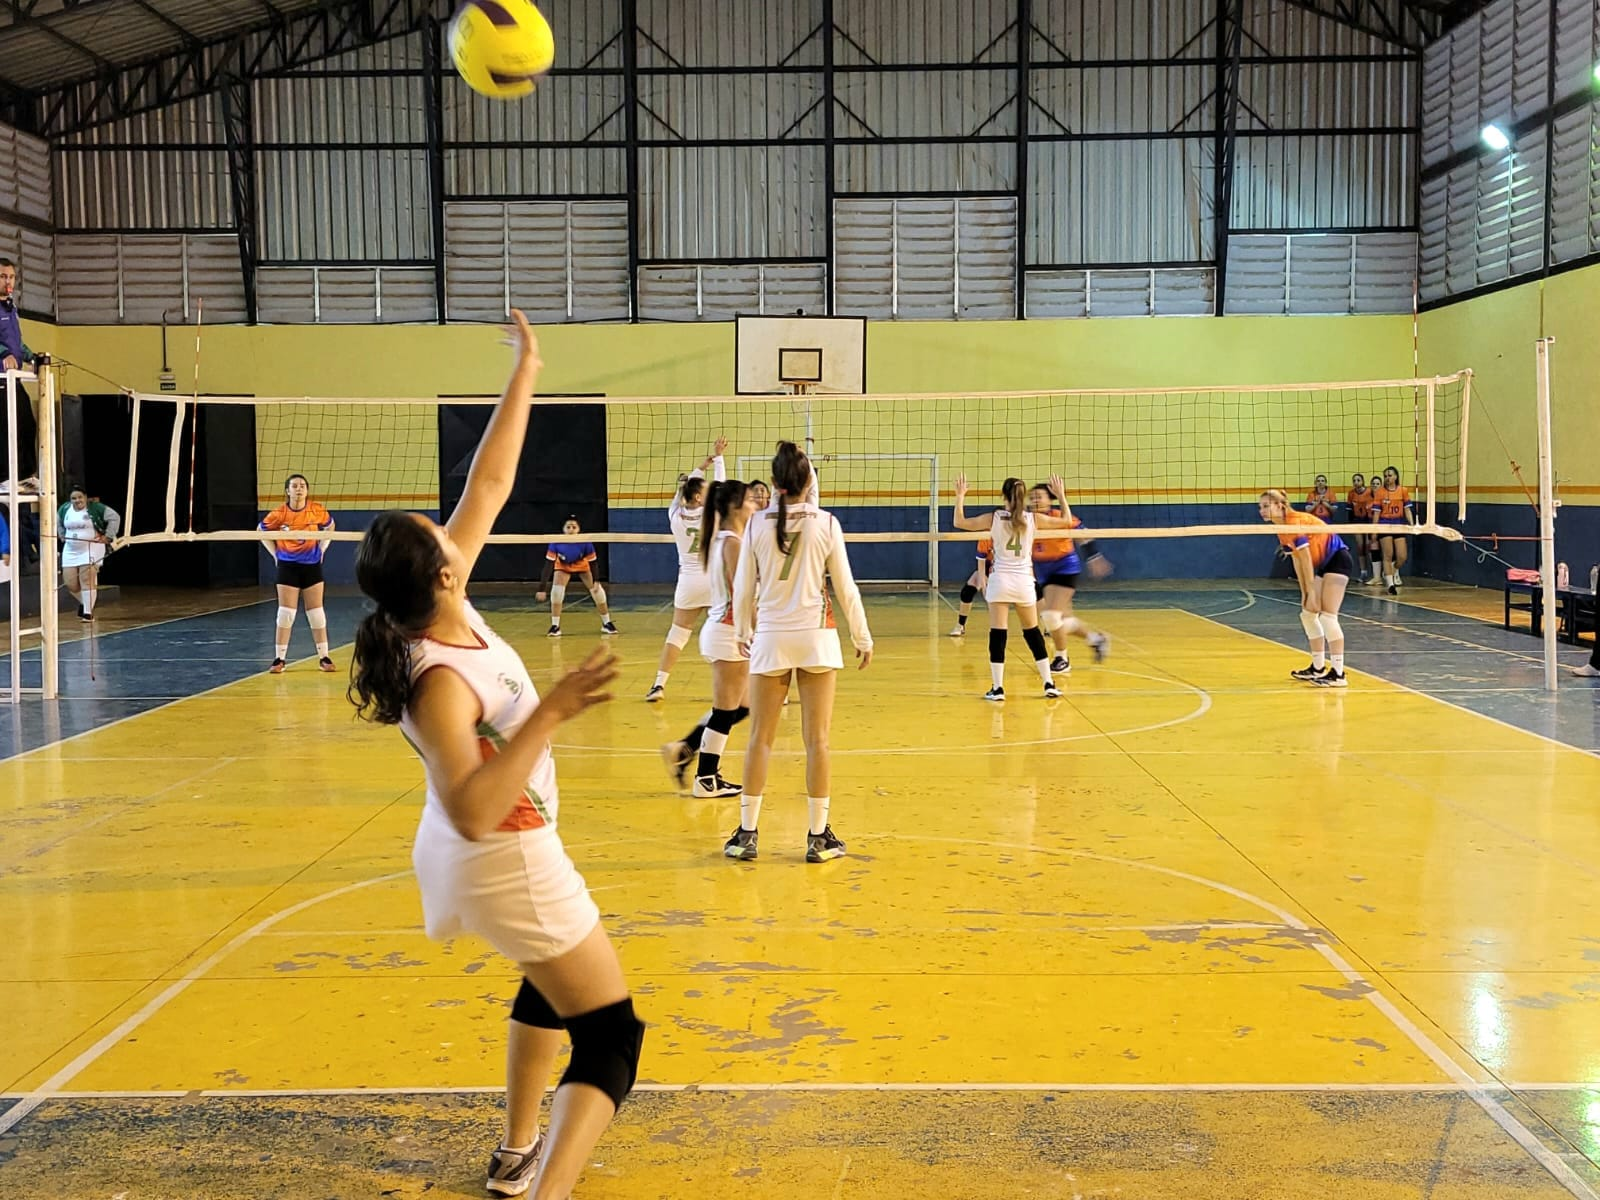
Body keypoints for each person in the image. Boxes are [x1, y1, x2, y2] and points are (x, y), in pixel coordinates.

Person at [347, 312, 642, 1200]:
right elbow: (475, 806)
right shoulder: (440, 680)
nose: (451, 528)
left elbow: (491, 480)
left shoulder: (437, 602)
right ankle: (545, 1187)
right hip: (496, 844)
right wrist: (548, 711)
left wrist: (530, 368)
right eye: (435, 533)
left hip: (485, 840)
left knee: (546, 982)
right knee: (613, 1036)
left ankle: (516, 1150)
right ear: (437, 572)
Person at [726, 441, 871, 863]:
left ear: (772, 484)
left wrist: (743, 629)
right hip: (816, 636)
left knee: (759, 740)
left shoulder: (754, 525)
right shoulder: (826, 523)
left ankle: (747, 835)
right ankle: (817, 836)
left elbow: (743, 587)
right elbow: (845, 588)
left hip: (770, 637)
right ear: (810, 481)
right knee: (817, 741)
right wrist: (862, 637)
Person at [661, 481, 759, 799]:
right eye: (749, 500)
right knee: (725, 710)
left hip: (726, 630)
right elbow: (741, 595)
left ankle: (685, 748)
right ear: (734, 506)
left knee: (742, 706)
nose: (755, 504)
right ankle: (706, 779)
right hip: (729, 632)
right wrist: (756, 633)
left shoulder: (727, 538)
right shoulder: (731, 542)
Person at [951, 473, 1078, 702]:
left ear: (1004, 496)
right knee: (1032, 633)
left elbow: (959, 522)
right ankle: (1049, 683)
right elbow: (1067, 520)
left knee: (998, 634)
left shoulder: (994, 517)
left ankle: (998, 688)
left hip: (1000, 581)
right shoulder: (1034, 519)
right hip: (1023, 582)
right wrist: (1060, 496)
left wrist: (960, 496)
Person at [646, 438, 727, 702]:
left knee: (678, 635)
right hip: (714, 581)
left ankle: (658, 685)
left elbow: (681, 493)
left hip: (689, 582)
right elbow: (722, 487)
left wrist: (699, 469)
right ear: (698, 496)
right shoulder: (712, 513)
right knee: (730, 633)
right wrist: (718, 459)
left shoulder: (675, 516)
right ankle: (739, 687)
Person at [1259, 488, 1353, 688]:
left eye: (1266, 506)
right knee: (1308, 614)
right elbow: (1297, 560)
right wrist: (1305, 592)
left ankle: (1338, 673)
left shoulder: (1294, 522)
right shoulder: (1281, 529)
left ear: (1280, 506)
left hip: (1338, 559)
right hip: (1323, 564)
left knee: (1328, 617)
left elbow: (1306, 557)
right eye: (1261, 507)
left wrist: (1311, 591)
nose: (1262, 511)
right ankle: (1318, 668)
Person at [1029, 480, 1111, 673]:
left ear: (1050, 501)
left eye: (1038, 497)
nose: (1034, 501)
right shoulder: (1027, 519)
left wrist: (1094, 557)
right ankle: (1096, 639)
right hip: (1042, 570)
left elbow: (1083, 533)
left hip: (1064, 567)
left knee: (1050, 617)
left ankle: (1062, 659)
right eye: (1031, 498)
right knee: (1061, 619)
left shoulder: (1059, 516)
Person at [259, 473, 336, 674]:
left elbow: (330, 526)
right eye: (294, 486)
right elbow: (261, 530)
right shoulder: (279, 513)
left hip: (311, 565)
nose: (299, 489)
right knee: (285, 614)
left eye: (302, 485)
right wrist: (275, 554)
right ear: (288, 491)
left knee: (317, 614)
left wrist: (323, 548)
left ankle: (324, 657)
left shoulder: (316, 509)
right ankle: (279, 659)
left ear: (307, 490)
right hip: (287, 566)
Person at [536, 518, 618, 638]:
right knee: (557, 592)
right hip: (563, 567)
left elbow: (593, 563)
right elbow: (548, 565)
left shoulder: (585, 542)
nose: (571, 529)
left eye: (574, 527)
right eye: (568, 527)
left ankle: (607, 623)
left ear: (579, 530)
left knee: (598, 592)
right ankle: (555, 627)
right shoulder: (556, 542)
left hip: (582, 566)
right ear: (563, 530)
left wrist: (596, 581)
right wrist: (542, 589)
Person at [0, 258, 37, 490]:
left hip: (15, 378)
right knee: (5, 427)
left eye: (11, 277)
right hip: (0, 379)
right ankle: (4, 477)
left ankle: (24, 474)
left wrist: (33, 356)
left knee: (27, 423)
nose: (8, 281)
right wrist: (3, 354)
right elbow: (6, 348)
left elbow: (17, 343)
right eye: (3, 276)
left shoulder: (11, 309)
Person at [57, 485, 121, 621]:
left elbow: (115, 517)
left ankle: (87, 613)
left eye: (80, 497)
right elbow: (58, 522)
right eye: (73, 498)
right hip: (71, 550)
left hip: (91, 547)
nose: (77, 500)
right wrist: (61, 534)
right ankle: (85, 603)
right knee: (70, 583)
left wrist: (108, 536)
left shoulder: (96, 508)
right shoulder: (64, 509)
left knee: (86, 579)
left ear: (85, 497)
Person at [1373, 465, 1414, 595]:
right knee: (1388, 555)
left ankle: (1394, 569)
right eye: (1385, 476)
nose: (1387, 478)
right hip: (1384, 524)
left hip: (1399, 524)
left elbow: (1407, 509)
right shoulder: (1380, 492)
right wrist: (1373, 530)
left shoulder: (1403, 490)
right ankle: (1390, 585)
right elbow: (1376, 514)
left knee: (1402, 556)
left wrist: (1412, 525)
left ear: (1396, 476)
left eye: (1390, 475)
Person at [948, 537, 992, 637]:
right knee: (967, 592)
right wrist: (984, 587)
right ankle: (960, 625)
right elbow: (981, 564)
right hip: (988, 568)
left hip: (1008, 570)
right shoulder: (986, 536)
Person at [1345, 473, 1377, 583]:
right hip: (1357, 521)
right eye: (1354, 480)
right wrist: (1351, 525)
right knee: (1360, 546)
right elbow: (1349, 511)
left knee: (1369, 546)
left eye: (1358, 480)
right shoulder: (1351, 494)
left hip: (1368, 520)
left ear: (1363, 481)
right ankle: (1363, 572)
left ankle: (1375, 573)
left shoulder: (1369, 492)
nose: (1356, 482)